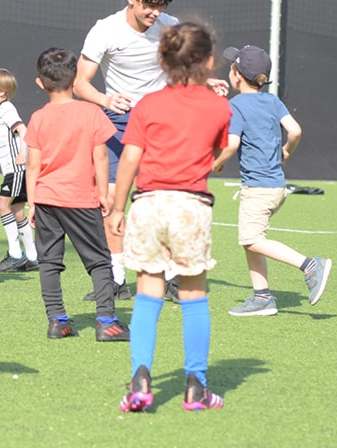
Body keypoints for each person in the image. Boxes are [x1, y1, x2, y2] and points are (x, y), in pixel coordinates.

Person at [74, 0, 228, 301]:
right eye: (148, 5)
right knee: (112, 200)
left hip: (164, 119)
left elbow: (184, 66)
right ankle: (115, 280)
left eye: (159, 6)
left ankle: (173, 277)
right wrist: (106, 99)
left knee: (165, 199)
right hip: (118, 120)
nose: (154, 13)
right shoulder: (106, 30)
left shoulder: (168, 26)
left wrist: (205, 81)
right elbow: (79, 84)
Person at [109, 22, 230, 413]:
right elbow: (217, 152)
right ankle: (197, 387)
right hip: (191, 205)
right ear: (210, 62)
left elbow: (130, 157)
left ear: (162, 59)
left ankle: (140, 380)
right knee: (194, 295)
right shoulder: (218, 106)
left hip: (147, 203)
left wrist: (115, 207)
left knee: (147, 292)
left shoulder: (147, 105)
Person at [212, 45, 331, 316]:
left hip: (258, 189)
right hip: (277, 186)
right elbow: (295, 130)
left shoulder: (236, 104)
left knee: (252, 240)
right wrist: (287, 150)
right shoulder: (272, 101)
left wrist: (216, 163)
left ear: (237, 75)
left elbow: (231, 145)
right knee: (251, 239)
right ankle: (262, 297)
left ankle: (311, 265)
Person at [24, 47, 129, 342]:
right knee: (98, 260)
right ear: (76, 79)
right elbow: (102, 158)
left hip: (46, 200)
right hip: (82, 199)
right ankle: (107, 321)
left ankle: (57, 321)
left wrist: (32, 202)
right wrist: (103, 193)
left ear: (40, 83)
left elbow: (32, 166)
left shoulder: (38, 118)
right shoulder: (91, 112)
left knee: (49, 262)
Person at [0, 68, 38, 272]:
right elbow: (1, 149)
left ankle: (15, 254)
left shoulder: (6, 109)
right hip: (15, 170)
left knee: (1, 205)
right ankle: (32, 257)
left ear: (1, 91)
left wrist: (22, 153)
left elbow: (23, 130)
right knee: (17, 211)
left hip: (17, 171)